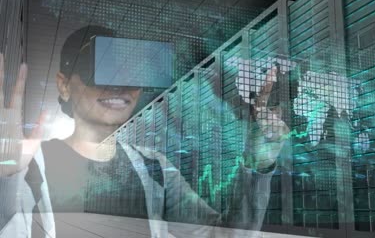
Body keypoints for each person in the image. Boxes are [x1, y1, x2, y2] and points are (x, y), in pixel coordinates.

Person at [0, 26, 290, 237]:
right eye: (99, 68)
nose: (119, 86)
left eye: (130, 71)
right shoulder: (30, 167)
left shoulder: (156, 170)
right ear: (64, 85)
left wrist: (257, 164)